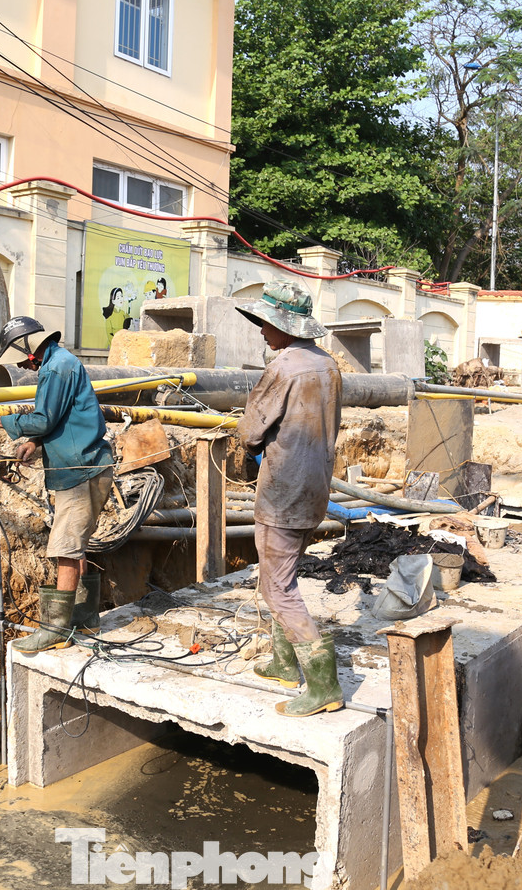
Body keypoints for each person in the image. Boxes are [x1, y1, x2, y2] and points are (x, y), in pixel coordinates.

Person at [0, 316, 115, 652]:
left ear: (29, 349)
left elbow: (44, 419)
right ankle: (86, 616)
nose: (21, 364)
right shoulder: (60, 362)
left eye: (20, 357)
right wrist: (35, 444)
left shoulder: (56, 369)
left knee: (65, 546)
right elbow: (60, 420)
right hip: (85, 466)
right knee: (76, 543)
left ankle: (56, 628)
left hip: (82, 472)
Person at [236, 281, 344, 718]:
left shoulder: (283, 368)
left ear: (283, 325)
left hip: (283, 490)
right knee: (283, 575)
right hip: (315, 485)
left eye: (265, 322)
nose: (262, 330)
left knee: (276, 586)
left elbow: (249, 431)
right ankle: (284, 663)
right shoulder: (329, 365)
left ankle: (324, 684)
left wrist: (246, 441)